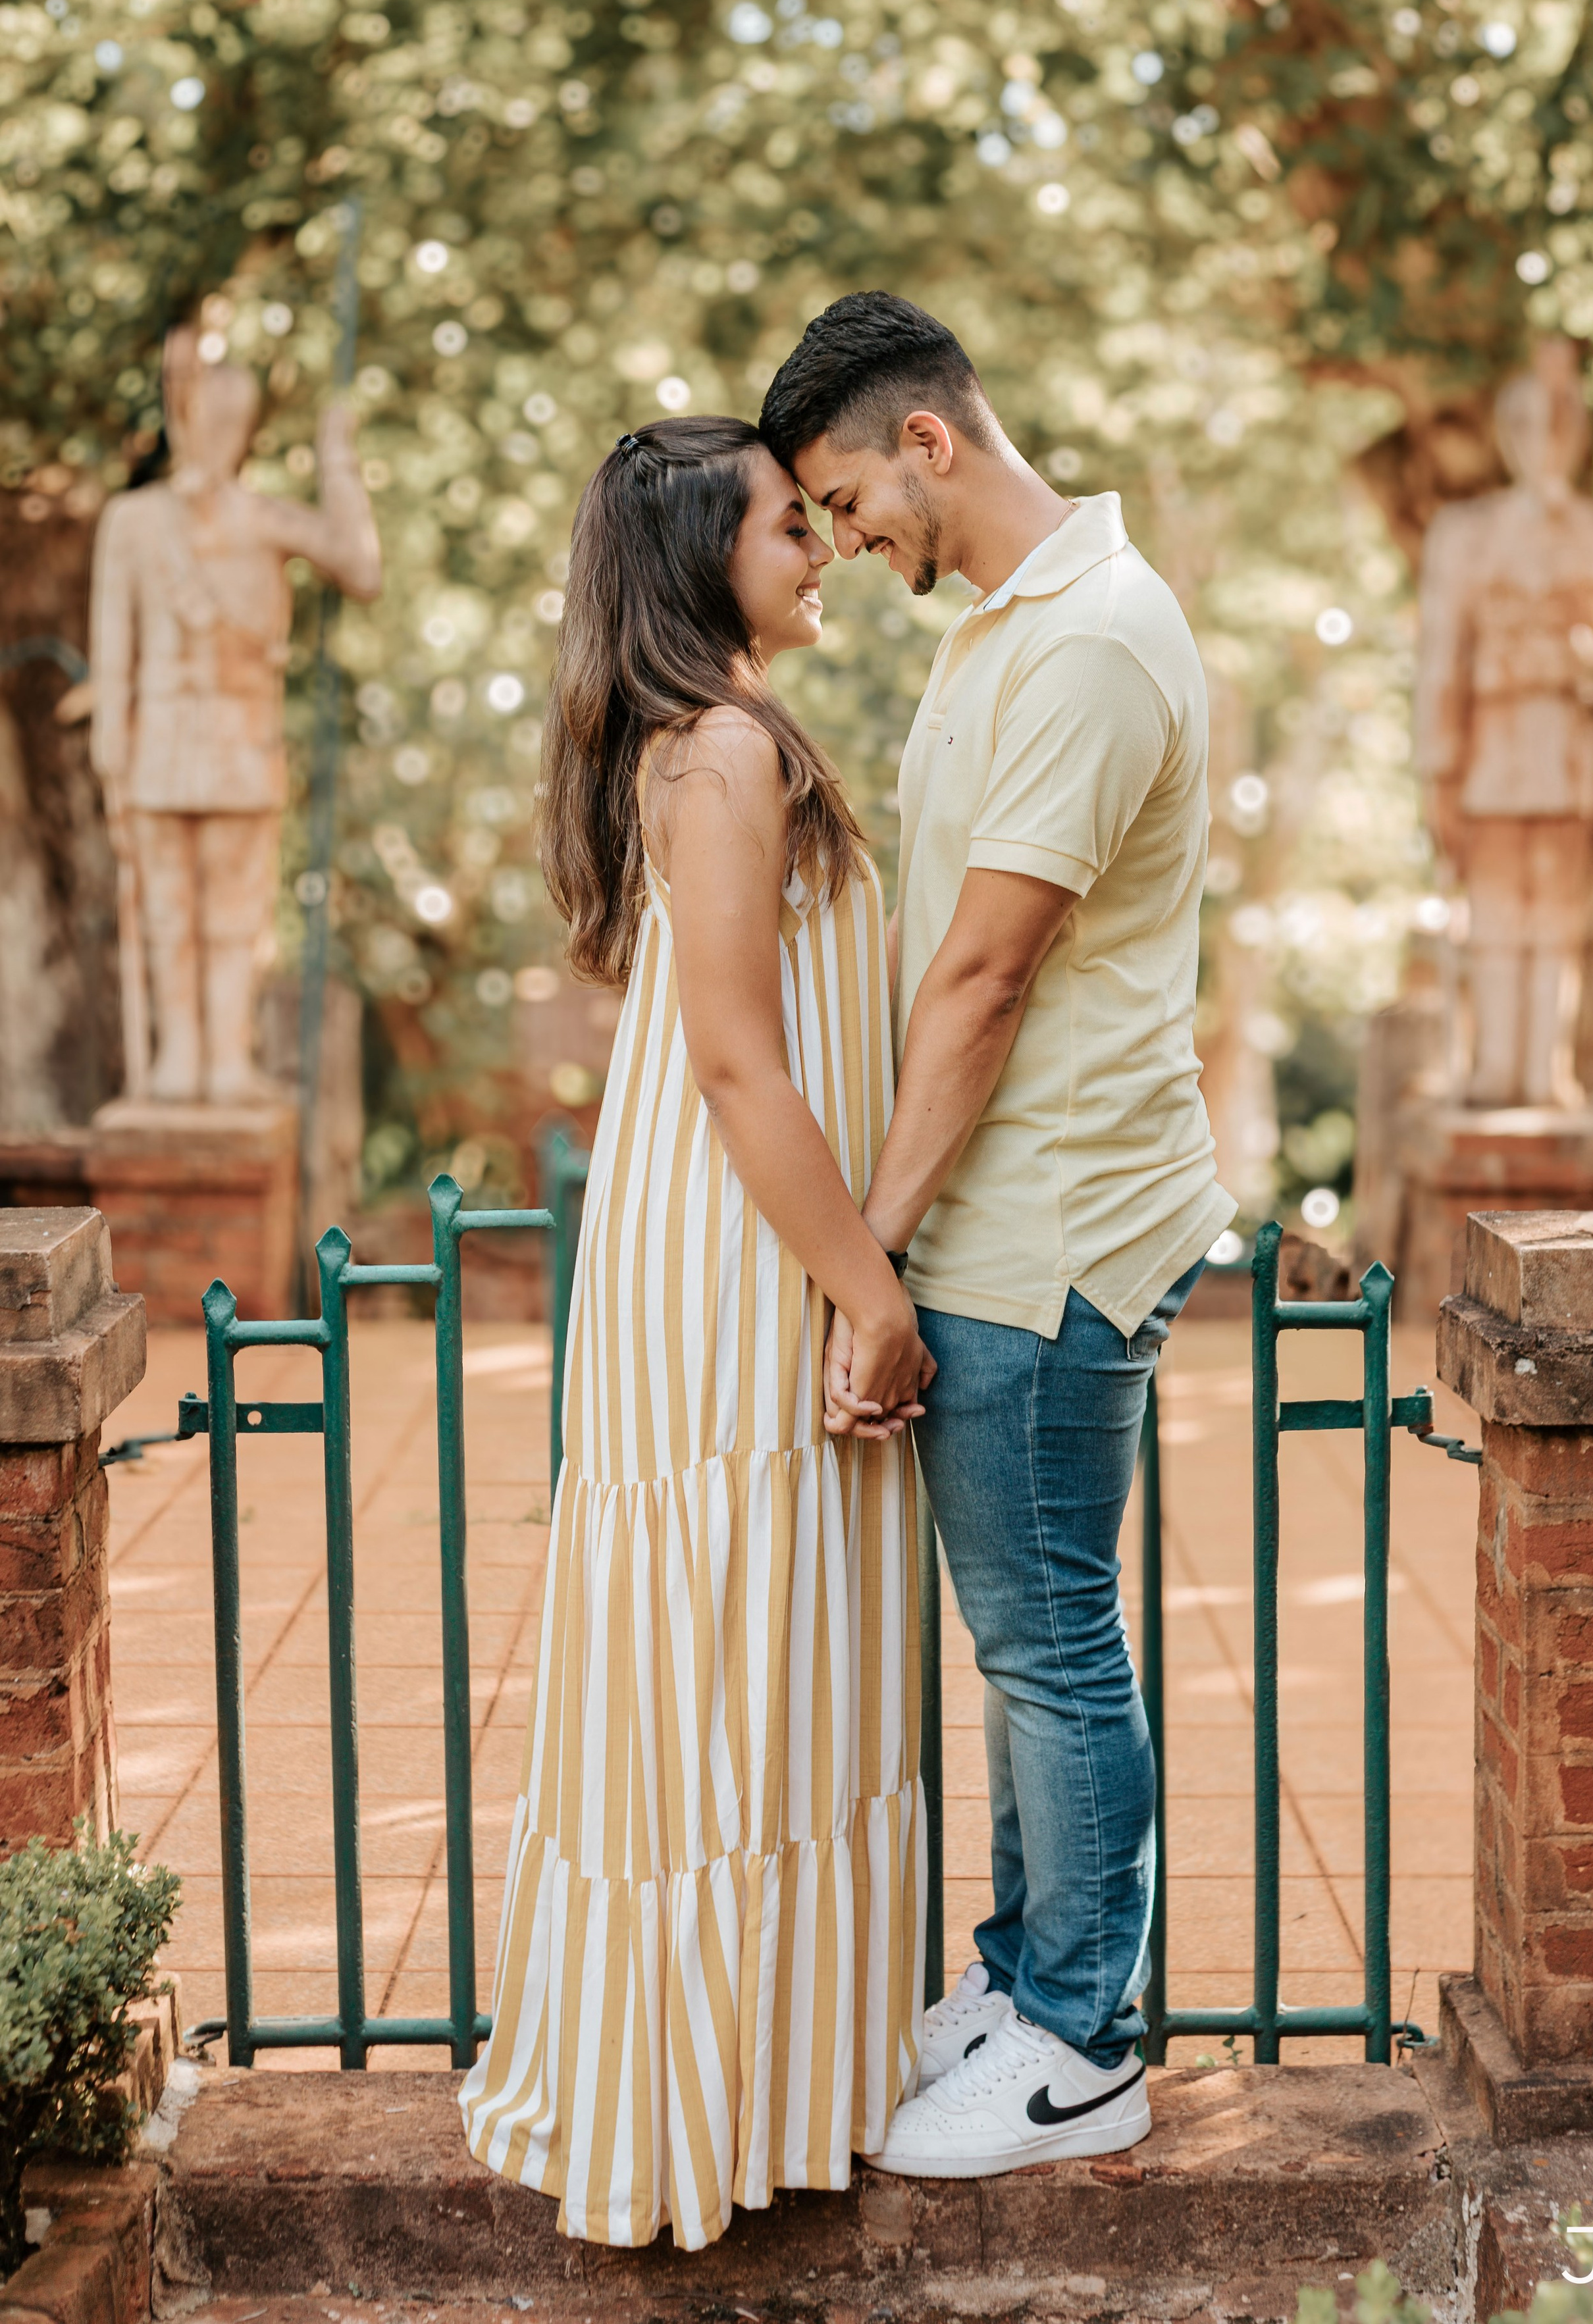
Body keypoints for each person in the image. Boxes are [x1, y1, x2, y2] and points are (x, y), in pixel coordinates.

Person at [760, 294, 1235, 2179]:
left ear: (929, 442)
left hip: (1049, 1226)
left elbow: (981, 977)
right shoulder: (1005, 629)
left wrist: (864, 1260)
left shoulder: (1099, 643)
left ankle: (1080, 2040)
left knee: (1049, 1646)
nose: (843, 539)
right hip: (1006, 1212)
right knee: (1031, 1630)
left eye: (845, 494)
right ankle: (1028, 1969)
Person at [459, 418, 929, 2248]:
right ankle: (706, 2107)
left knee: (758, 1648)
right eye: (783, 525)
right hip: (742, 1252)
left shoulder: (724, 741)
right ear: (696, 561)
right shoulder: (723, 748)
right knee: (740, 1646)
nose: (818, 548)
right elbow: (742, 1061)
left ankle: (755, 2084)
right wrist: (869, 1292)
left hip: (738, 1232)